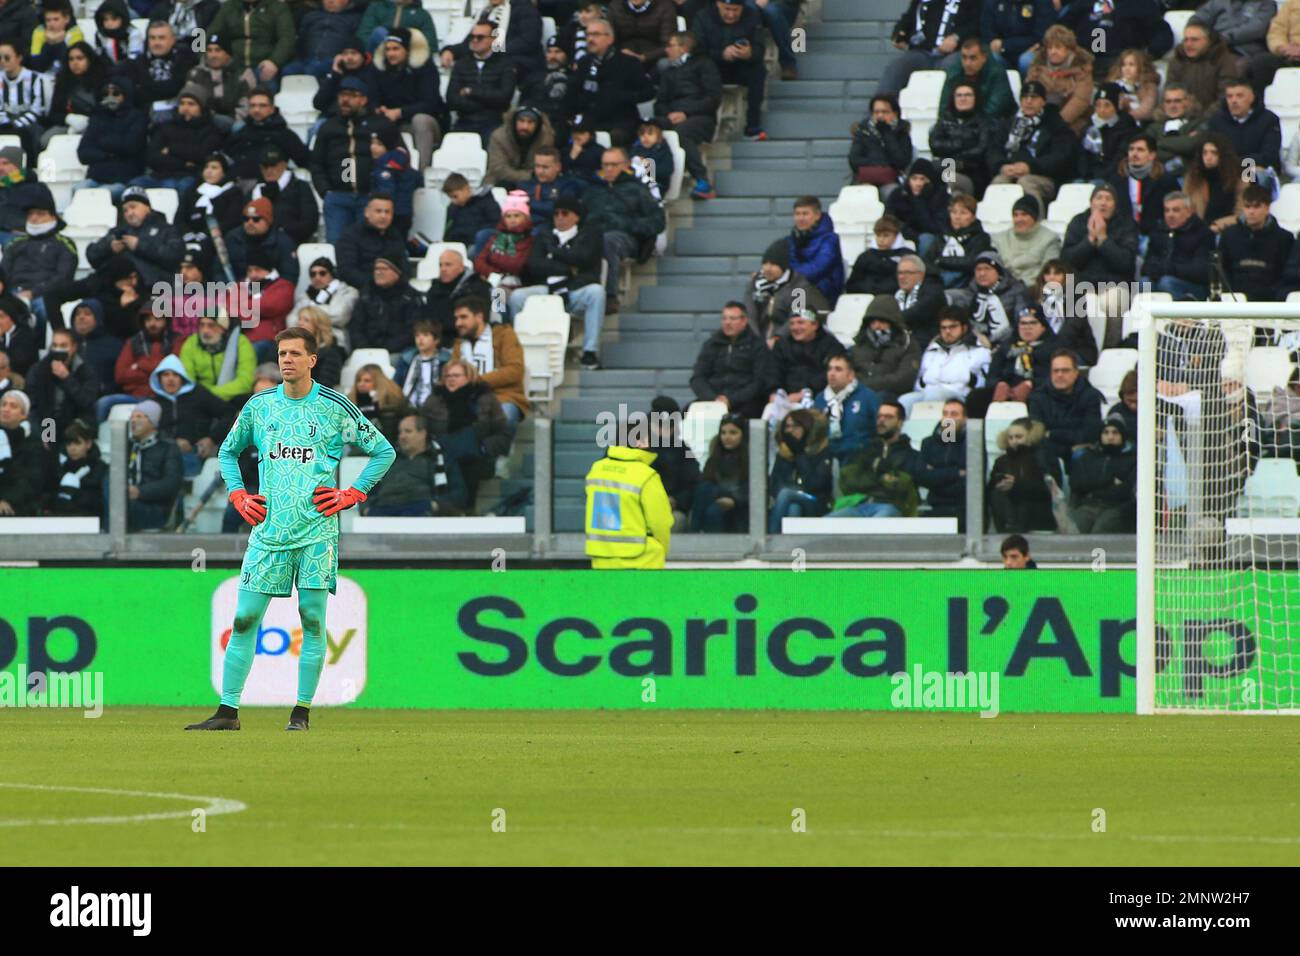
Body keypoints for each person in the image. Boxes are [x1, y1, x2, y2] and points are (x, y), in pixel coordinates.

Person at [186, 327, 396, 732]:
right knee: (245, 618)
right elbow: (228, 451)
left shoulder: (334, 408)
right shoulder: (260, 406)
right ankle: (227, 713)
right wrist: (237, 495)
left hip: (317, 531)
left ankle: (300, 713)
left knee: (312, 619)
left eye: (296, 354)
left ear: (312, 360)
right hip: (268, 531)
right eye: (282, 353)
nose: (286, 360)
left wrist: (353, 493)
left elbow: (383, 450)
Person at [510, 194, 606, 368]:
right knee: (513, 296)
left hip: (574, 290)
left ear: (576, 216)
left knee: (596, 293)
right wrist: (567, 269)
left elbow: (583, 259)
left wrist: (554, 253)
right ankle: (514, 348)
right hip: (539, 288)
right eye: (556, 214)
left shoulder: (589, 235)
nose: (560, 218)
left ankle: (590, 351)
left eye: (565, 213)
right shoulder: (541, 236)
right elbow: (534, 265)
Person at [310, 76, 395, 242]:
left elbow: (400, 156)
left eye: (351, 95)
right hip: (338, 198)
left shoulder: (381, 125)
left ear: (363, 99)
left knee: (369, 245)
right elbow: (316, 163)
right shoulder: (329, 127)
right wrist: (326, 191)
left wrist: (384, 156)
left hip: (370, 198)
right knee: (337, 245)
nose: (345, 100)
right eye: (342, 95)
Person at [418, 357, 510, 506]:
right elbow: (421, 427)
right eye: (447, 376)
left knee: (468, 464)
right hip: (440, 454)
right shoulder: (434, 400)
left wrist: (484, 447)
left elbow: (503, 432)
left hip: (476, 456)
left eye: (456, 376)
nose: (451, 379)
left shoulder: (485, 398)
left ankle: (463, 509)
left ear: (468, 377)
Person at [584, 148, 665, 308]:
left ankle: (610, 296)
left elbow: (658, 221)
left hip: (627, 238)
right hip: (593, 235)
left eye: (614, 164)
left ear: (626, 165)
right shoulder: (592, 190)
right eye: (605, 165)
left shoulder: (637, 190)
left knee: (609, 240)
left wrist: (627, 225)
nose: (609, 169)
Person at [1060, 183, 1138, 347]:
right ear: (1091, 203)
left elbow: (1126, 263)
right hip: (1081, 284)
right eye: (1099, 198)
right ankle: (1075, 350)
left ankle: (1110, 350)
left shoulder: (1125, 224)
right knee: (1065, 297)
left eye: (1108, 199)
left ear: (1115, 204)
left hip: (1114, 284)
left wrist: (1103, 240)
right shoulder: (1078, 222)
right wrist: (1089, 240)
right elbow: (1067, 260)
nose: (1103, 203)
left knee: (1115, 301)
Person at [585, 422, 674, 566]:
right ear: (640, 442)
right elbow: (660, 523)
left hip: (602, 559)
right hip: (642, 561)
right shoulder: (646, 476)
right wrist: (663, 548)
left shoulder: (596, 470)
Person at [985, 80, 1077, 208]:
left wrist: (1031, 167)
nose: (1028, 101)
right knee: (999, 182)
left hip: (1042, 175)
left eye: (1033, 98)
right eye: (1025, 97)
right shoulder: (1008, 124)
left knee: (1026, 182)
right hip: (1004, 172)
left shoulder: (1055, 125)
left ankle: (1033, 222)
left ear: (1043, 101)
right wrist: (1002, 166)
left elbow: (1060, 156)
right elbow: (993, 149)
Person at [654, 30, 722, 200]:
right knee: (647, 132)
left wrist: (686, 112)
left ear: (684, 48)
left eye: (671, 46)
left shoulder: (705, 65)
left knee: (680, 134)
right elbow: (660, 102)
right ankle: (651, 180)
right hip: (672, 117)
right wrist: (668, 114)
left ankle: (702, 181)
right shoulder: (668, 71)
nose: (666, 50)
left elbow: (713, 98)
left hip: (701, 118)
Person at [827, 400, 920, 518]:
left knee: (877, 524)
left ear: (900, 423)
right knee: (826, 523)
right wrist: (883, 477)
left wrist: (870, 474)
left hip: (892, 506)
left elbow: (904, 486)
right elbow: (848, 480)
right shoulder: (865, 451)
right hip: (859, 503)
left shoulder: (910, 455)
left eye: (888, 417)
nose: (882, 420)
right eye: (879, 416)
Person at [363, 412, 466, 516]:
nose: (402, 437)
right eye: (400, 432)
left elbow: (459, 493)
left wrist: (435, 505)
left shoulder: (441, 459)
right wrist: (366, 509)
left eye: (408, 431)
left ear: (422, 434)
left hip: (420, 510)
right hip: (383, 509)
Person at [371, 27, 445, 171]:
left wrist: (399, 112)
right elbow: (373, 96)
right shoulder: (379, 70)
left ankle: (422, 172)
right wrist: (379, 108)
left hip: (425, 123)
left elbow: (430, 103)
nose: (391, 53)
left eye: (396, 49)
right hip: (390, 123)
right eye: (388, 49)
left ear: (407, 50)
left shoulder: (425, 67)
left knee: (420, 120)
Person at [692, 0, 768, 140]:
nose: (731, 14)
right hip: (713, 68)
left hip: (740, 66)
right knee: (700, 69)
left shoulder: (752, 15)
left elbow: (760, 48)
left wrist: (750, 53)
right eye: (727, 9)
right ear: (718, 4)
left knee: (758, 70)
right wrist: (721, 54)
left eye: (735, 10)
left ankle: (753, 125)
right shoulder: (703, 17)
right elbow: (697, 52)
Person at [452, 295, 528, 428]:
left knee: (501, 416)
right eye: (456, 318)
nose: (458, 323)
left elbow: (514, 370)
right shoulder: (459, 344)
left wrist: (477, 381)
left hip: (502, 396)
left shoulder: (504, 334)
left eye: (463, 317)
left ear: (479, 317)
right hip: (467, 399)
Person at [131, 84, 224, 193]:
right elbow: (152, 156)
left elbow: (202, 155)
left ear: (201, 107)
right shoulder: (165, 127)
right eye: (182, 103)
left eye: (191, 104)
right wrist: (184, 163)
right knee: (133, 186)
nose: (185, 108)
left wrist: (171, 149)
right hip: (159, 175)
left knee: (175, 187)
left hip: (188, 177)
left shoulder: (210, 130)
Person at [148, 352, 230, 474]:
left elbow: (229, 413)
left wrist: (212, 439)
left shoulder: (199, 394)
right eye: (166, 375)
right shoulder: (155, 402)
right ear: (159, 379)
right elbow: (149, 431)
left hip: (193, 454)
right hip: (162, 455)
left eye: (175, 375)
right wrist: (172, 443)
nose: (170, 379)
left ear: (183, 378)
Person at [690, 301, 774, 419]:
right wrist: (713, 398)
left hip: (744, 403)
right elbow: (697, 377)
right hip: (713, 400)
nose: (727, 323)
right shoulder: (711, 344)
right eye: (724, 319)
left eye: (733, 319)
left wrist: (731, 400)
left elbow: (759, 382)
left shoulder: (757, 346)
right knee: (689, 412)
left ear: (744, 321)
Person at [899, 306, 990, 415]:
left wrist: (968, 379)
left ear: (964, 327)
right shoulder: (932, 349)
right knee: (905, 401)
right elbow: (920, 380)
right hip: (927, 393)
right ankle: (907, 432)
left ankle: (946, 432)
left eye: (953, 327)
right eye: (944, 327)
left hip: (959, 396)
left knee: (934, 396)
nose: (947, 331)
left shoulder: (979, 350)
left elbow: (983, 384)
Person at [0, 190, 77, 314]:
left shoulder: (64, 244)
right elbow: (3, 272)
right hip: (12, 293)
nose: (34, 218)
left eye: (40, 214)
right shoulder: (15, 243)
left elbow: (63, 277)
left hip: (44, 294)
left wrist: (33, 293)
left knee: (43, 308)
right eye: (30, 214)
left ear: (53, 217)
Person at [1028, 348, 1105, 470]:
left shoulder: (1091, 396)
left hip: (1079, 452)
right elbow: (1038, 434)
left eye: (1065, 371)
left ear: (1076, 373)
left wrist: (1052, 434)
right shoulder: (1038, 397)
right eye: (1056, 371)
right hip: (1050, 450)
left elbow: (1090, 434)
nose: (1059, 375)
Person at [877, 0, 975, 96]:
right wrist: (899, 34)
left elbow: (976, 23)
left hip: (955, 52)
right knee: (896, 67)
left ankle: (945, 110)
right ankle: (883, 107)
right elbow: (909, 18)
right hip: (923, 52)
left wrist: (957, 37)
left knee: (951, 67)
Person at [75, 76, 149, 198]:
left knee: (104, 195)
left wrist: (102, 143)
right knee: (78, 190)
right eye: (105, 94)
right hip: (95, 177)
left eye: (116, 93)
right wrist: (110, 154)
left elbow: (130, 146)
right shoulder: (96, 118)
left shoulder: (137, 118)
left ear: (125, 95)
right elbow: (83, 154)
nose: (110, 98)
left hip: (123, 178)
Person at [445, 20, 516, 147]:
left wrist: (471, 92)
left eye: (480, 37)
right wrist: (484, 103)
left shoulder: (505, 64)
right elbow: (451, 99)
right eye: (472, 36)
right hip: (464, 121)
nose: (475, 40)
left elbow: (504, 98)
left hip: (493, 123)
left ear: (494, 40)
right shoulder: (461, 64)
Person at [1220, 183, 1293, 301]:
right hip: (1235, 299)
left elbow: (1285, 274)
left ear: (1267, 208)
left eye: (1256, 206)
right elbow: (1223, 270)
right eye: (1247, 207)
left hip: (1272, 300)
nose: (1251, 211)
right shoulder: (1229, 235)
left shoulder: (1284, 238)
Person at [744, 239, 828, 341]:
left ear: (784, 266)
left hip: (786, 342)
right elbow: (749, 314)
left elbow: (796, 316)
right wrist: (756, 340)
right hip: (758, 340)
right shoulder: (755, 283)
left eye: (774, 264)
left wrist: (777, 338)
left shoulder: (799, 286)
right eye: (765, 263)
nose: (768, 268)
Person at [25, 326, 100, 440]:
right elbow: (32, 403)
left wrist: (67, 378)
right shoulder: (39, 369)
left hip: (74, 420)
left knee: (74, 435)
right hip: (48, 421)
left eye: (63, 346)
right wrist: (43, 434)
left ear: (74, 347)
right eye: (55, 345)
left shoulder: (85, 370)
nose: (58, 350)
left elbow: (86, 401)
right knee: (45, 439)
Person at [987, 416, 1059, 532]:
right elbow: (991, 489)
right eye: (1010, 437)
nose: (1014, 441)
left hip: (1038, 516)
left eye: (1019, 437)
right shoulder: (1001, 461)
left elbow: (1049, 490)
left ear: (1031, 436)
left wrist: (1016, 485)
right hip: (1008, 516)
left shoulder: (1043, 458)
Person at [1205, 79, 1283, 186]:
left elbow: (1269, 156)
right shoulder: (1216, 121)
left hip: (1255, 168)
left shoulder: (1269, 120)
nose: (1234, 100)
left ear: (1251, 98)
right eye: (1229, 96)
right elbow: (1212, 153)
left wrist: (1236, 162)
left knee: (1249, 176)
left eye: (1239, 96)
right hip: (1224, 170)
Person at [106, 308, 181, 419]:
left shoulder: (176, 340)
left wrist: (140, 365)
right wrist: (155, 372)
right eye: (148, 320)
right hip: (136, 396)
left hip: (165, 396)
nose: (152, 324)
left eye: (157, 319)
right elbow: (120, 375)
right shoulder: (133, 342)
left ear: (166, 321)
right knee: (104, 403)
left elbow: (172, 371)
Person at [767, 407, 833, 532]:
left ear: (806, 427)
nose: (790, 431)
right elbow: (775, 486)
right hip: (789, 500)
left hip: (816, 502)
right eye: (787, 426)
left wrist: (799, 455)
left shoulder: (821, 451)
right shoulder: (784, 454)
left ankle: (771, 541)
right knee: (794, 507)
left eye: (796, 426)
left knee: (787, 494)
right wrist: (789, 459)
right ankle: (792, 548)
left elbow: (816, 485)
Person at [225, 90, 311, 183]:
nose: (256, 110)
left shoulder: (284, 135)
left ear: (272, 109)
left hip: (273, 189)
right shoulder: (241, 133)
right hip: (240, 187)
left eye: (262, 105)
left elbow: (306, 161)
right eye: (253, 106)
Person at [1068, 414, 1136, 533]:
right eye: (1106, 432)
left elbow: (1126, 490)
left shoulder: (1132, 459)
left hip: (1117, 507)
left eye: (1115, 433)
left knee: (1100, 530)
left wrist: (1093, 485)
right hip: (1089, 505)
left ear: (1122, 436)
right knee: (1075, 529)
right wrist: (1109, 480)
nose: (1110, 437)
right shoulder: (1087, 457)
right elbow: (1077, 484)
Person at [1142, 191, 1215, 301]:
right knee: (1143, 283)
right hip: (1163, 279)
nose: (1170, 215)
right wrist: (1153, 270)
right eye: (1167, 210)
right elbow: (1146, 267)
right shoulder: (1158, 232)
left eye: (1176, 210)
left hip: (1195, 286)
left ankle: (1179, 317)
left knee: (1167, 282)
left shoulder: (1203, 233)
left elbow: (1202, 271)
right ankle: (1144, 317)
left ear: (1189, 212)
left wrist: (1170, 269)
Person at [119, 21, 195, 125]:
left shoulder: (185, 58)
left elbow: (177, 86)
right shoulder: (137, 62)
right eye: (152, 38)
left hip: (180, 112)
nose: (156, 43)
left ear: (173, 40)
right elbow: (136, 94)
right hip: (145, 115)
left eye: (161, 38)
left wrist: (147, 88)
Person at [122, 398, 183, 530]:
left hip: (154, 508)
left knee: (122, 506)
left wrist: (139, 492)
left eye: (139, 417)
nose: (133, 421)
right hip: (127, 502)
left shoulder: (168, 448)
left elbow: (171, 483)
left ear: (153, 422)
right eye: (132, 417)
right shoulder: (127, 447)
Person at [348, 256, 425, 359]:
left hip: (397, 352)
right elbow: (356, 327)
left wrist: (384, 351)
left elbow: (411, 331)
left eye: (384, 269)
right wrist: (365, 349)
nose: (378, 272)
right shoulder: (366, 295)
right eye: (376, 269)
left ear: (397, 272)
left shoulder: (411, 297)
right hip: (365, 351)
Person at [1107, 133, 1181, 241]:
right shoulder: (1116, 180)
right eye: (1131, 149)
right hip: (1122, 236)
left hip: (1154, 236)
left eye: (1140, 150)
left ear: (1152, 155)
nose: (1134, 153)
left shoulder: (1165, 181)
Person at [1025, 24, 1095, 135]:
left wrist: (1058, 122)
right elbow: (1029, 92)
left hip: (1070, 119)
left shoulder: (1082, 67)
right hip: (1040, 115)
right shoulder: (1037, 66)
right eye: (1050, 48)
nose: (1053, 52)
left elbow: (1081, 99)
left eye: (1058, 47)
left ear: (1068, 49)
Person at [849, 294, 921, 402]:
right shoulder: (859, 344)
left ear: (893, 323)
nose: (877, 326)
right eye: (872, 322)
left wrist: (866, 385)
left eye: (882, 322)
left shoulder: (907, 345)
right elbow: (846, 373)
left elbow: (904, 380)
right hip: (856, 393)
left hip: (890, 397)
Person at [206, 0, 296, 85]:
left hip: (263, 66)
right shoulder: (229, 7)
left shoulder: (277, 8)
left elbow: (287, 38)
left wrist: (274, 61)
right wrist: (202, 56)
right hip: (234, 66)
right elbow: (211, 33)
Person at [929, 81, 994, 198]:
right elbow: (935, 145)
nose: (963, 99)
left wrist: (952, 153)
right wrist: (960, 144)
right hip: (948, 166)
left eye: (968, 95)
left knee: (947, 179)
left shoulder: (985, 122)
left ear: (976, 98)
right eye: (959, 95)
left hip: (973, 173)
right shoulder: (945, 120)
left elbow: (980, 151)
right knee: (922, 173)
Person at [951, 249, 1027, 347]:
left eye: (987, 269)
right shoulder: (972, 291)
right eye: (978, 269)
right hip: (974, 343)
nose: (982, 273)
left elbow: (1021, 321)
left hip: (1006, 343)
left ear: (998, 272)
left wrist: (991, 341)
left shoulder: (1016, 290)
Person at [645, 394, 698, 532]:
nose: (664, 431)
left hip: (672, 508)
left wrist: (676, 500)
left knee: (675, 521)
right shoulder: (635, 444)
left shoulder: (683, 449)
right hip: (637, 505)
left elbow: (694, 482)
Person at [814, 352, 879, 464]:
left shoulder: (868, 397)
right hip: (826, 457)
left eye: (838, 369)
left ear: (851, 375)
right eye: (829, 369)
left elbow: (877, 430)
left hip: (858, 456)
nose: (832, 374)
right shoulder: (821, 399)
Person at [689, 411, 748, 532]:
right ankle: (694, 534)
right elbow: (705, 480)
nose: (727, 437)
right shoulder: (716, 455)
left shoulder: (751, 457)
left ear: (743, 434)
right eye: (723, 433)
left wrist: (734, 500)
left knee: (712, 509)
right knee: (704, 490)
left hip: (742, 506)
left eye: (733, 433)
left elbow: (753, 489)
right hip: (716, 498)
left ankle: (693, 533)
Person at [1167, 20, 1241, 115]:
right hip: (1182, 117)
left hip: (1214, 119)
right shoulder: (1177, 60)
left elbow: (1225, 97)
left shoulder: (1225, 61)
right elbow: (1169, 94)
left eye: (1194, 40)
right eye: (1186, 40)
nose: (1188, 44)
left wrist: (1203, 120)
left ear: (1209, 41)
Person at [768, 309, 845, 400]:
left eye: (800, 322)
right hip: (784, 397)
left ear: (815, 325)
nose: (795, 327)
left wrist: (807, 392)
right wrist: (774, 391)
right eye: (792, 323)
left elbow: (831, 374)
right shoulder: (782, 344)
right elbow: (773, 371)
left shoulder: (831, 345)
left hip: (818, 397)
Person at [335, 193, 408, 290]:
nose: (383, 216)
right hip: (360, 290)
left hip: (393, 290)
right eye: (378, 211)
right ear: (366, 212)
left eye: (387, 212)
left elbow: (404, 268)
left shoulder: (395, 235)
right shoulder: (350, 236)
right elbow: (347, 272)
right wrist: (377, 285)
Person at [179, 312, 256, 400]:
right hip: (200, 398)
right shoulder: (191, 343)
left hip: (231, 396)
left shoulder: (240, 342)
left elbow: (245, 381)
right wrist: (204, 395)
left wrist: (213, 394)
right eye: (202, 325)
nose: (205, 330)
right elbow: (188, 378)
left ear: (222, 328)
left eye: (211, 325)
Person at [177, 153, 245, 252]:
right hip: (188, 239)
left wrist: (207, 234)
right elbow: (179, 217)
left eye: (214, 168)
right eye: (207, 167)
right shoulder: (192, 191)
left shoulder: (233, 193)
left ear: (224, 172)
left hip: (219, 241)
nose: (209, 171)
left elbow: (231, 221)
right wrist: (187, 233)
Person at [250, 146, 319, 245]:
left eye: (273, 165)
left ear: (284, 164)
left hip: (292, 242)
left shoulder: (300, 187)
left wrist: (283, 233)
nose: (269, 170)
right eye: (265, 166)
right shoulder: (254, 190)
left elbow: (309, 222)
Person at [915, 397, 967, 527]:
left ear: (965, 419)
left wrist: (936, 474)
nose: (948, 418)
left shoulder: (971, 443)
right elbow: (921, 476)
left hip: (962, 506)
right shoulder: (928, 443)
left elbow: (970, 478)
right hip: (935, 503)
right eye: (945, 414)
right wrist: (956, 472)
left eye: (954, 414)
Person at [988, 303, 1054, 403]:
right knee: (977, 397)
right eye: (1023, 323)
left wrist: (1031, 384)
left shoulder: (1055, 347)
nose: (1027, 327)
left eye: (1033, 323)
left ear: (1043, 326)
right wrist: (999, 384)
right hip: (1005, 391)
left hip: (1040, 392)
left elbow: (1057, 378)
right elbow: (992, 376)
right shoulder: (1006, 346)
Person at [185, 33, 256, 127]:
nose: (213, 55)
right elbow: (189, 101)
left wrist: (233, 120)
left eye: (218, 50)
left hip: (234, 123)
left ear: (227, 54)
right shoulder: (195, 74)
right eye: (209, 50)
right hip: (202, 123)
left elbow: (248, 104)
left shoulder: (243, 74)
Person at [885, 157, 950, 258]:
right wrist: (909, 233)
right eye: (914, 178)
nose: (918, 183)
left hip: (930, 237)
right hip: (903, 234)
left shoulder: (940, 196)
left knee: (926, 239)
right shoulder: (898, 195)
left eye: (922, 179)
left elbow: (937, 227)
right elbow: (889, 219)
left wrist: (919, 201)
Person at [926, 192, 992, 291]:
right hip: (939, 276)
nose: (957, 217)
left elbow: (971, 262)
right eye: (954, 212)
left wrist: (941, 261)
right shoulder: (941, 235)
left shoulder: (981, 237)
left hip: (964, 282)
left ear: (973, 217)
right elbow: (927, 260)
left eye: (963, 213)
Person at [283, 0, 363, 80]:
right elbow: (301, 40)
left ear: (346, 1)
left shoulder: (354, 19)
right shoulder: (311, 16)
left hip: (333, 60)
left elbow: (354, 44)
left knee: (313, 70)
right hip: (307, 59)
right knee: (288, 70)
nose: (330, 1)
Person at [226, 196, 299, 283]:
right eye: (246, 219)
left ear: (268, 221)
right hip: (238, 289)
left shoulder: (284, 242)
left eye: (256, 219)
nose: (250, 223)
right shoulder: (232, 238)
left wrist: (267, 291)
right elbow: (218, 270)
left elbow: (289, 276)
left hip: (271, 289)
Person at [1183, 132, 1245, 234]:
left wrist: (1218, 225)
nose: (1208, 157)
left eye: (1214, 153)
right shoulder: (1192, 177)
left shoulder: (1239, 178)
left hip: (1227, 231)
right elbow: (1185, 208)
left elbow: (1242, 213)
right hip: (1196, 230)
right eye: (1205, 153)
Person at [786, 195, 843, 304]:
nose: (800, 218)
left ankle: (797, 319)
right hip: (794, 287)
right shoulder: (791, 239)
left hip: (823, 293)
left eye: (805, 214)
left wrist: (788, 276)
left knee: (798, 291)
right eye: (797, 214)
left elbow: (816, 270)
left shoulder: (830, 240)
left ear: (817, 215)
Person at [424, 247, 491, 341]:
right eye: (441, 265)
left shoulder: (478, 287)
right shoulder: (434, 289)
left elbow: (480, 320)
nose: (443, 269)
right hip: (438, 341)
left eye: (448, 265)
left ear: (461, 267)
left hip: (468, 340)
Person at [940, 38, 1014, 121]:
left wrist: (967, 125)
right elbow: (944, 108)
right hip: (963, 124)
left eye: (973, 58)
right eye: (964, 58)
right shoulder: (954, 74)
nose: (967, 63)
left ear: (984, 58)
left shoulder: (997, 74)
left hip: (994, 124)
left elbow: (994, 110)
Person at [992, 194, 1060, 286]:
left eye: (1024, 214)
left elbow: (1049, 273)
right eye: (1015, 215)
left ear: (1034, 217)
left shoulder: (1050, 239)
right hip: (1004, 288)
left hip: (1034, 289)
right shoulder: (999, 239)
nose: (1019, 219)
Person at [1077, 84, 1139, 183]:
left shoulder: (1126, 127)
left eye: (1107, 105)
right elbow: (1082, 156)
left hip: (1113, 177)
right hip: (1089, 175)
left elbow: (1120, 157)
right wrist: (1085, 175)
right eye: (1098, 105)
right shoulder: (1089, 128)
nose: (1102, 110)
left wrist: (1102, 175)